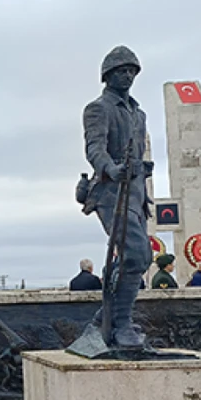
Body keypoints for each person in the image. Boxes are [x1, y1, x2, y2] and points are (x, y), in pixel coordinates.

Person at [74, 45, 153, 351]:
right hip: (109, 191)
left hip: (135, 194)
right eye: (122, 70)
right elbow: (95, 148)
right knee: (135, 253)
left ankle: (105, 318)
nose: (128, 76)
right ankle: (120, 325)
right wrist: (111, 168)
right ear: (107, 75)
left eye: (132, 71)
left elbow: (137, 152)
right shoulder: (98, 108)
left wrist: (140, 170)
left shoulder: (139, 113)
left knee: (139, 257)